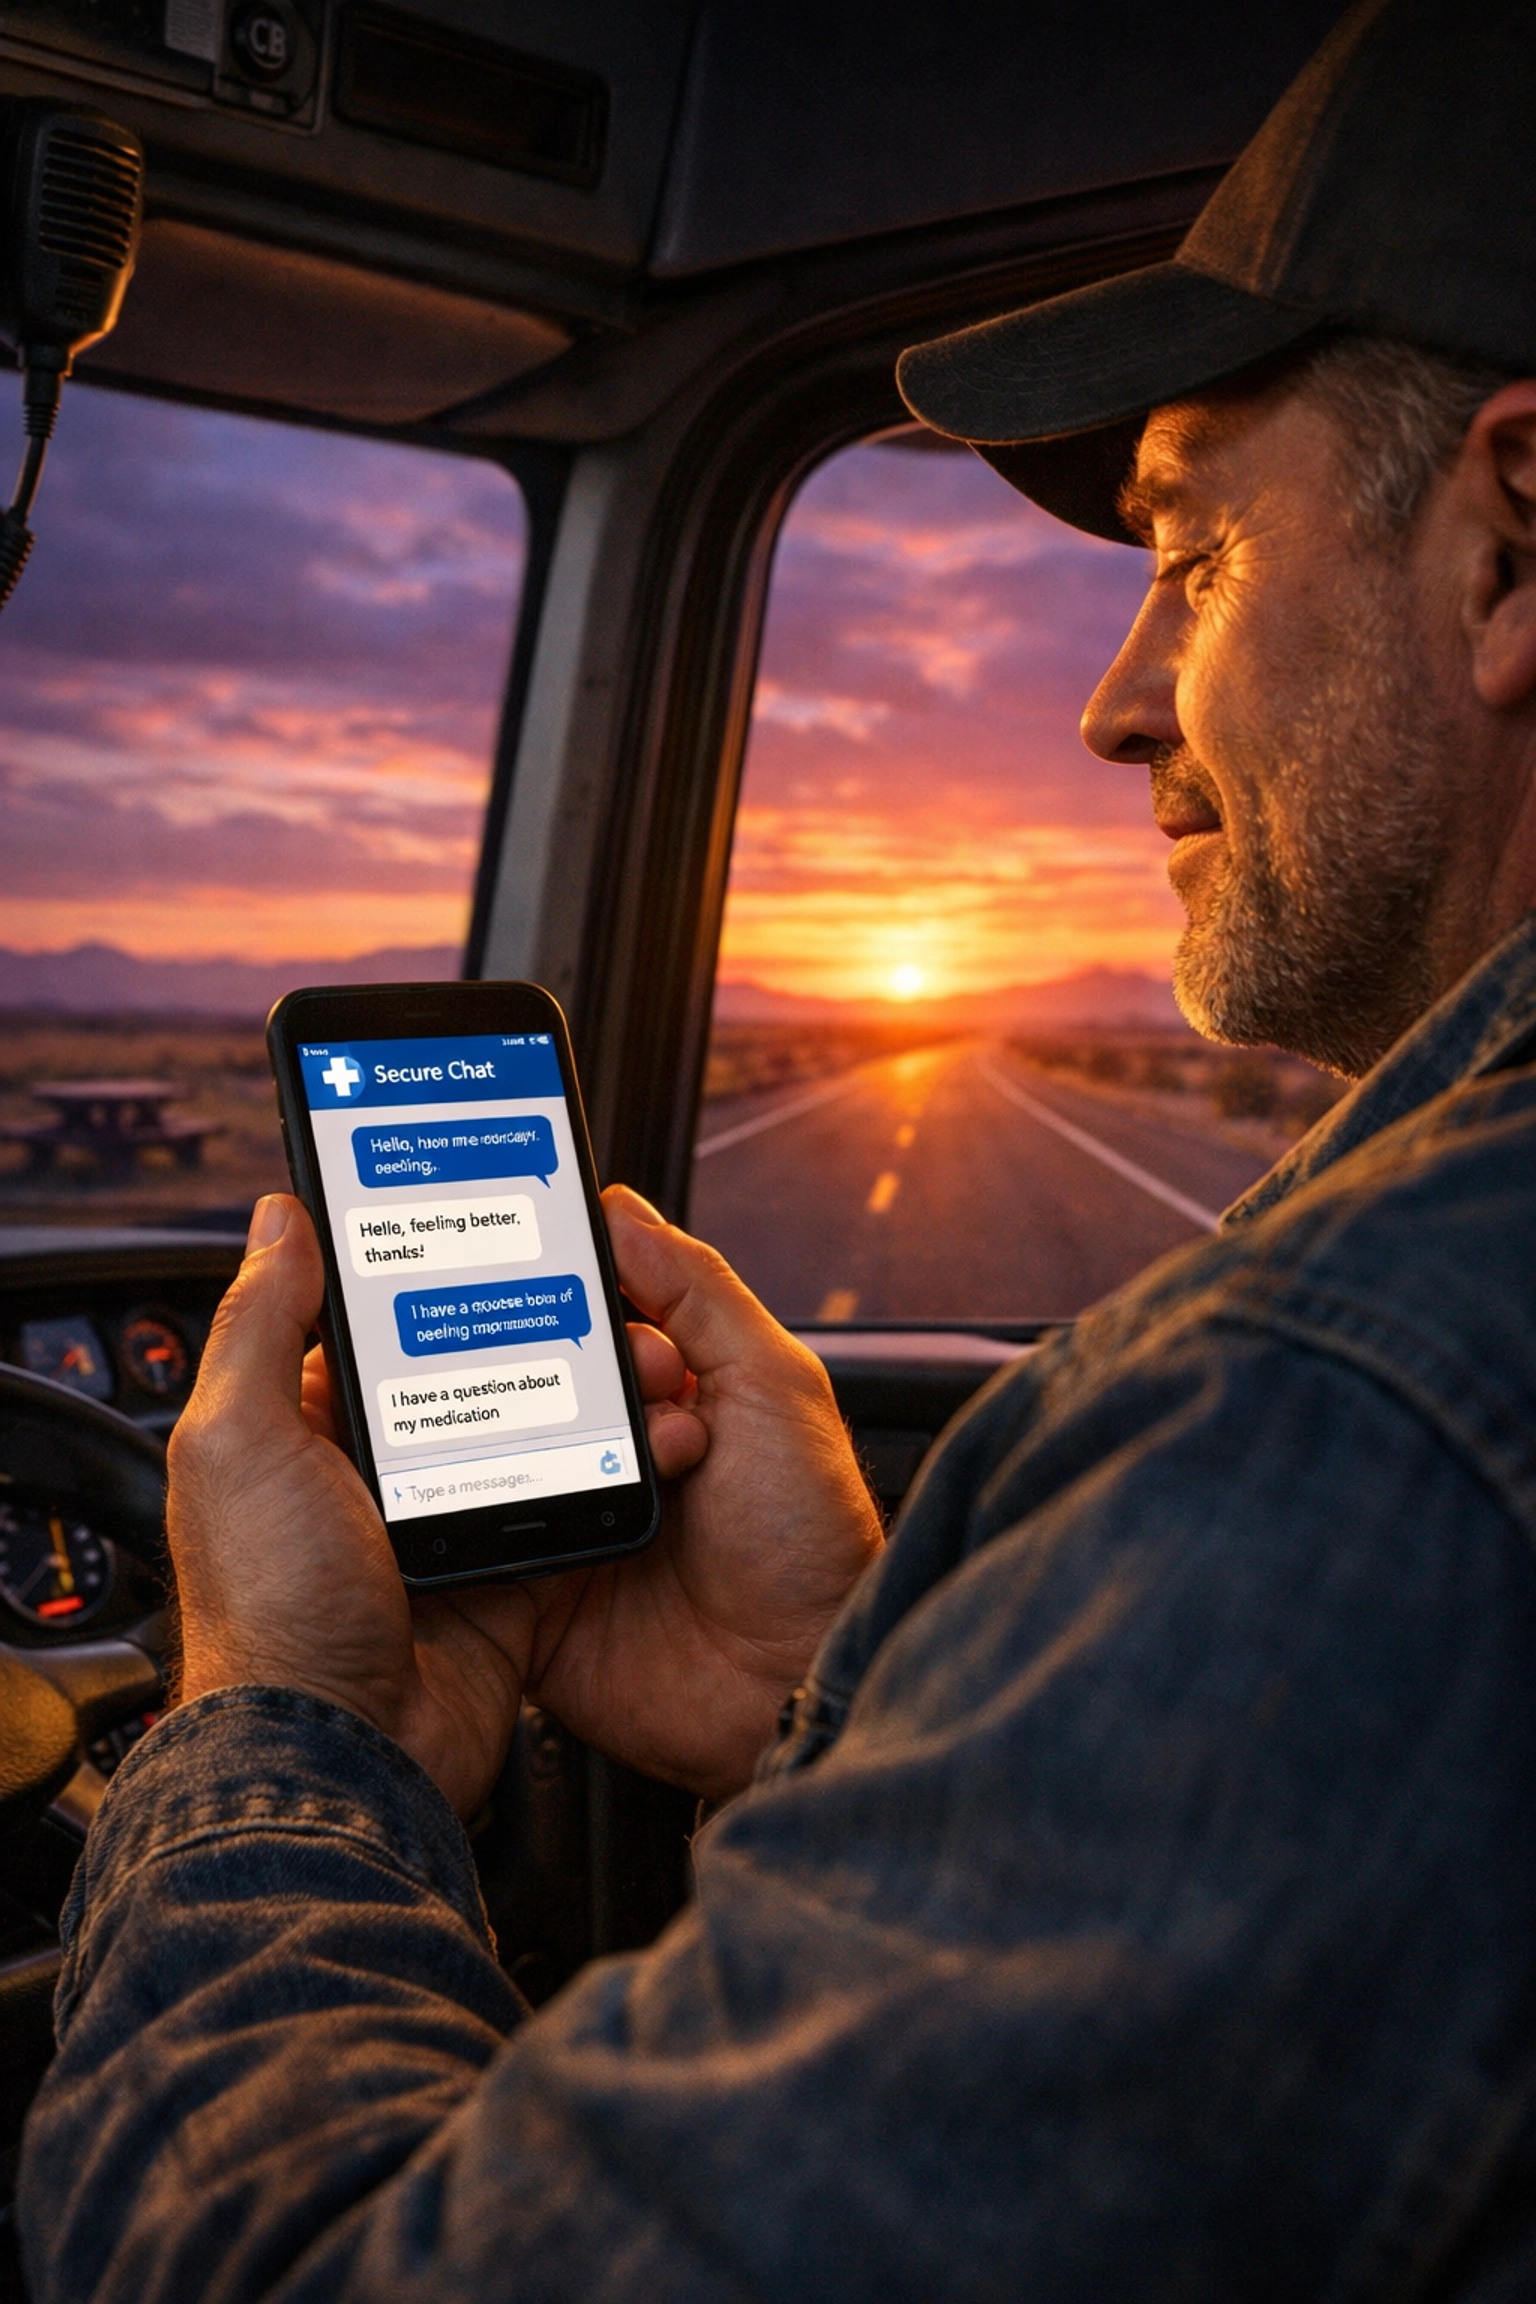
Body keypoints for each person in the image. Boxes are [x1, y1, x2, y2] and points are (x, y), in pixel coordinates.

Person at [21, 0, 1536, 2293]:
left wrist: (276, 1733)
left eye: (1193, 557)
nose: (1114, 700)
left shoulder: (1354, 1409)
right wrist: (841, 1683)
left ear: (1515, 544)